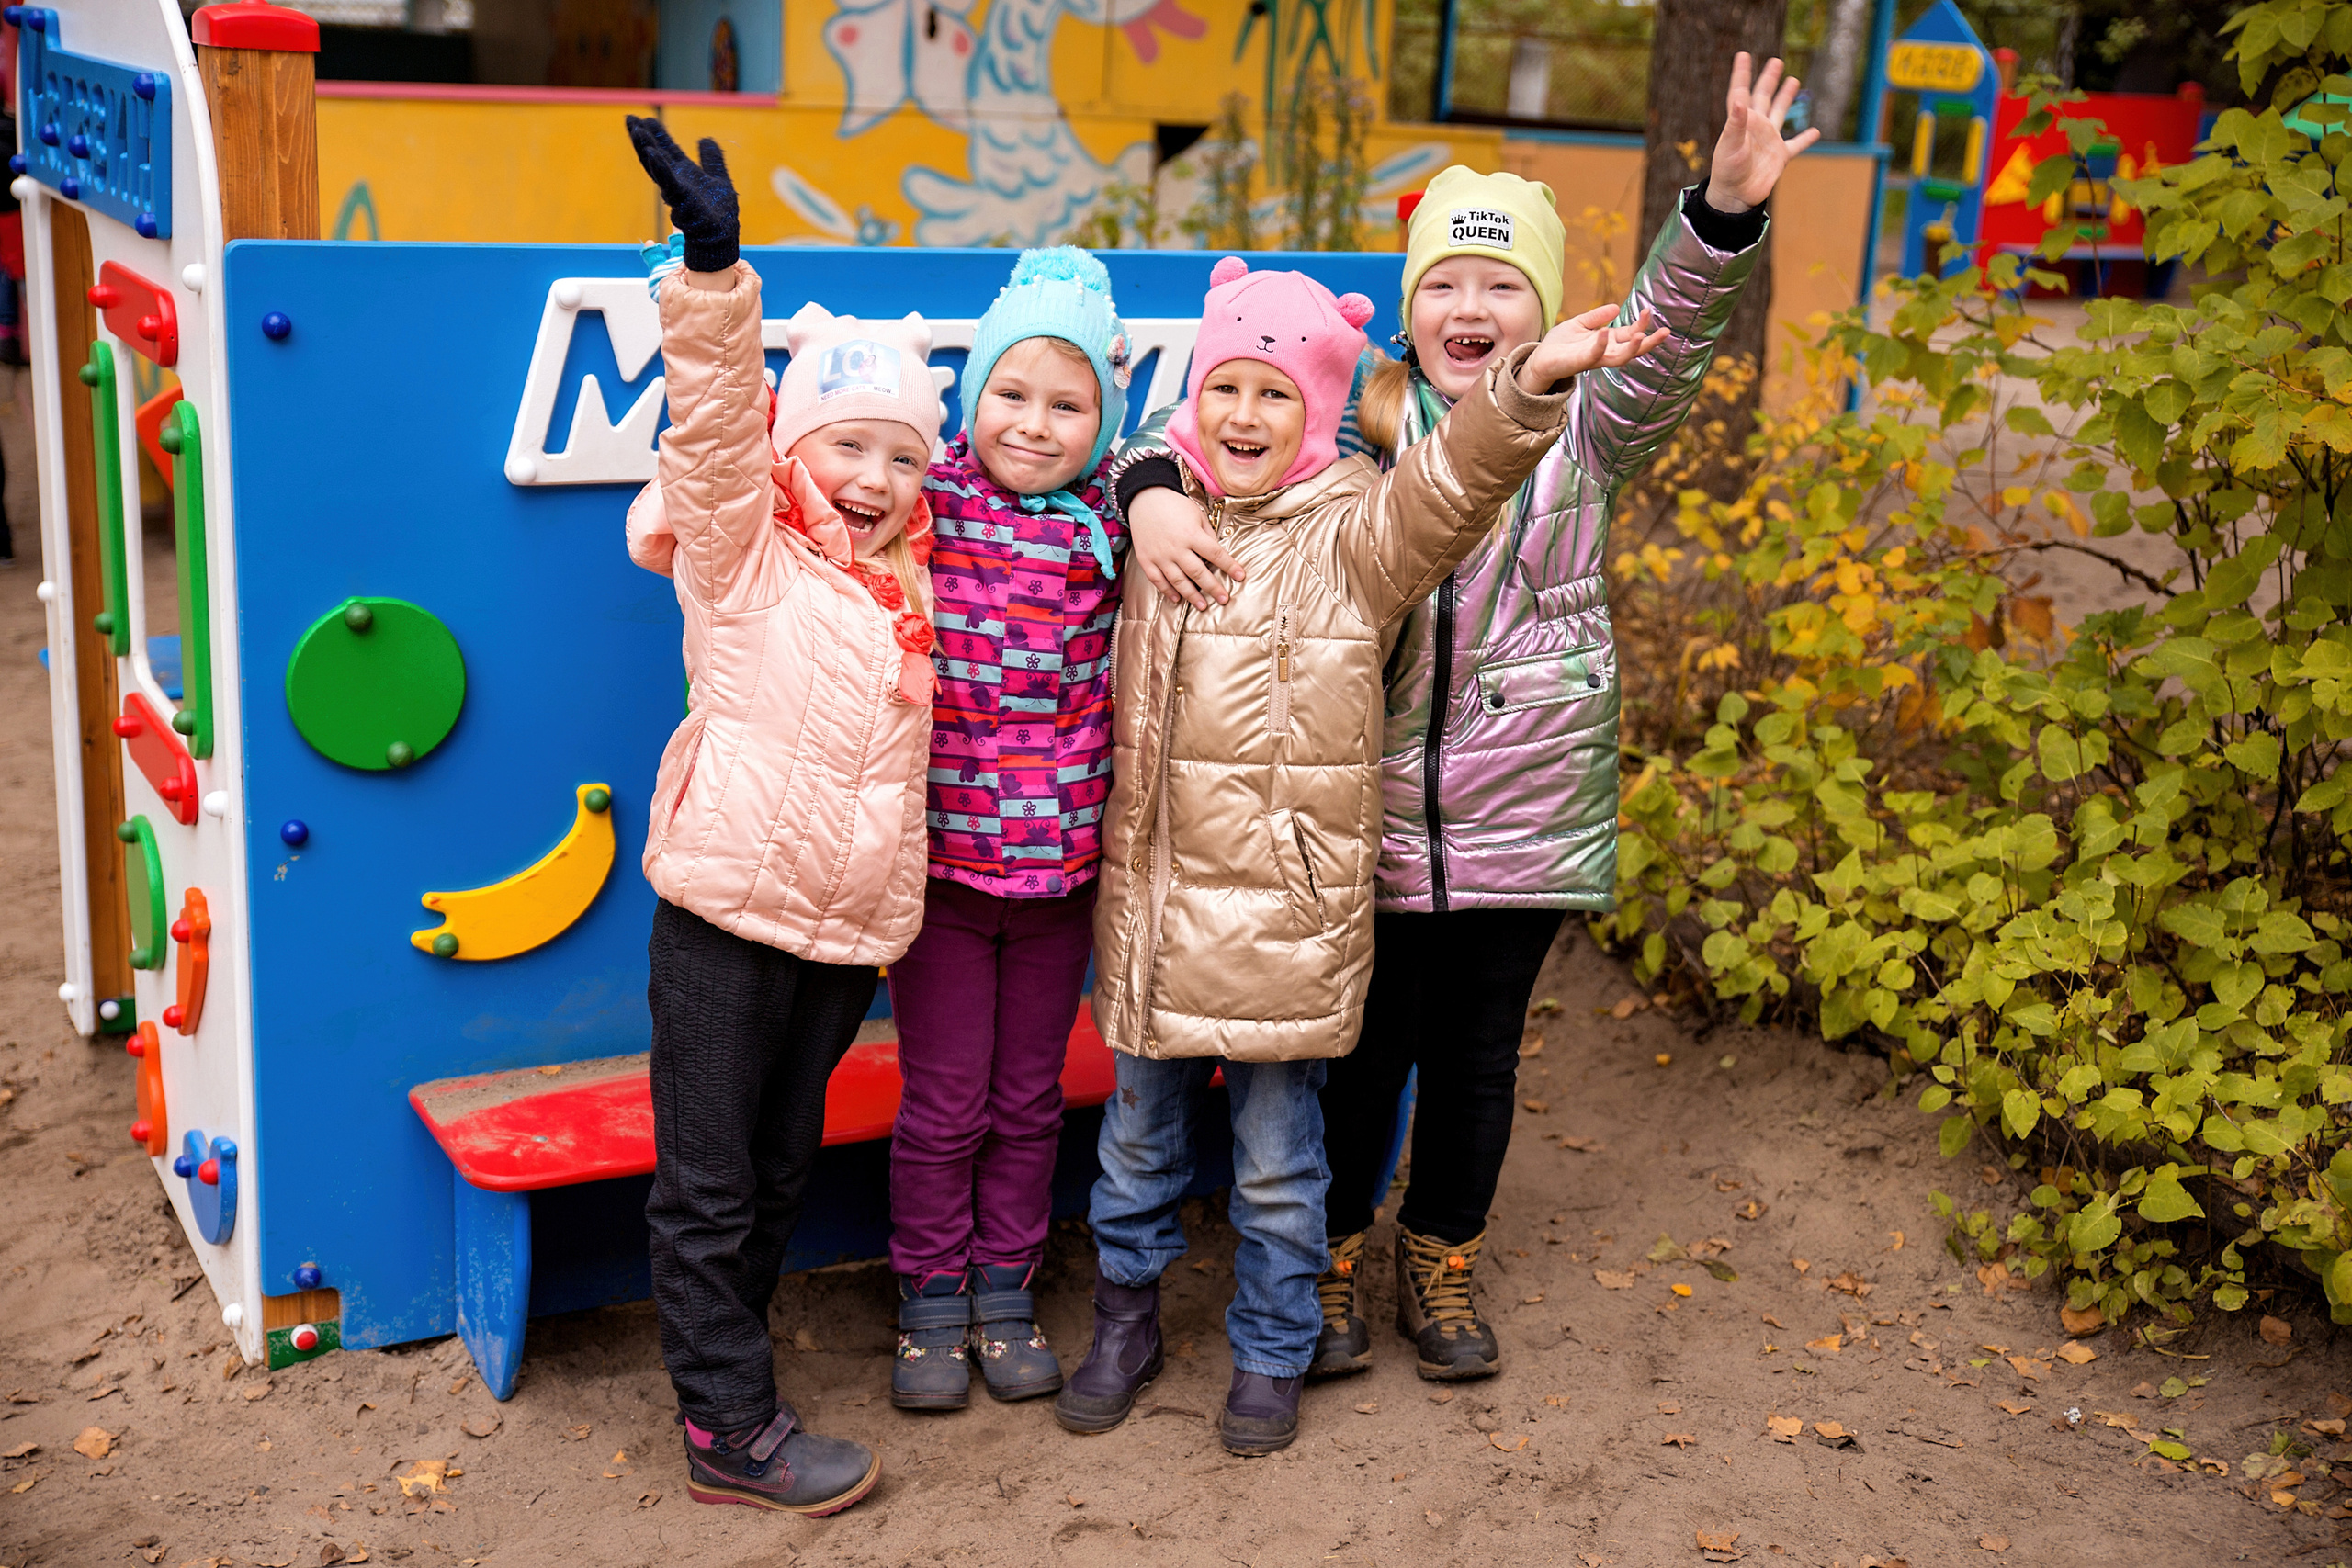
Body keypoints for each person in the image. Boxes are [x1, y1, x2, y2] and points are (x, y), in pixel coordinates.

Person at [1121, 54, 1818, 1383]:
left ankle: (1440, 1254)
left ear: (1543, 306)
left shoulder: (1587, 419)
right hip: (1362, 795)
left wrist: (1720, 213)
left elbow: (1669, 327)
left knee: (1478, 1057)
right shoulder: (1358, 416)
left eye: (1502, 284)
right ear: (1407, 306)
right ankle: (1326, 1252)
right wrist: (1152, 481)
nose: (1473, 305)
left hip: (1525, 796)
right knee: (1364, 1048)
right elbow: (1219, 413)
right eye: (1444, 280)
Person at [1054, 255, 1668, 1456]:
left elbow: (1452, 480)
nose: (1245, 415)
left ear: (1322, 411)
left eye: (1277, 393)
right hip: (1157, 913)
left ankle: (1274, 1345)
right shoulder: (1148, 518)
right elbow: (1045, 450)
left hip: (1288, 922)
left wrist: (1532, 382)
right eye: (1225, 387)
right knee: (1134, 1150)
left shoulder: (1356, 539)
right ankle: (1124, 1322)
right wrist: (1143, 488)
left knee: (1282, 1164)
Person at [622, 116, 943, 1515]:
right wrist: (713, 273)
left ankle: (726, 1372)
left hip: (838, 931)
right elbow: (708, 436)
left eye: (901, 456)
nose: (873, 479)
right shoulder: (743, 551)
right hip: (722, 913)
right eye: (846, 447)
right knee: (705, 1178)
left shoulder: (914, 587)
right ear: (796, 454)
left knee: (774, 1164)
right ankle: (726, 1429)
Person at [885, 247, 1134, 1411]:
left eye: (1068, 403)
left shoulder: (1115, 521)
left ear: (1103, 419)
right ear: (971, 395)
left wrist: (1147, 487)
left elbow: (1174, 473)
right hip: (939, 875)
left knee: (1029, 1100)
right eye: (1012, 395)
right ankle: (929, 1301)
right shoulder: (926, 500)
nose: (1035, 425)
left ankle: (1004, 1291)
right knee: (943, 1100)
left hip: (1059, 878)